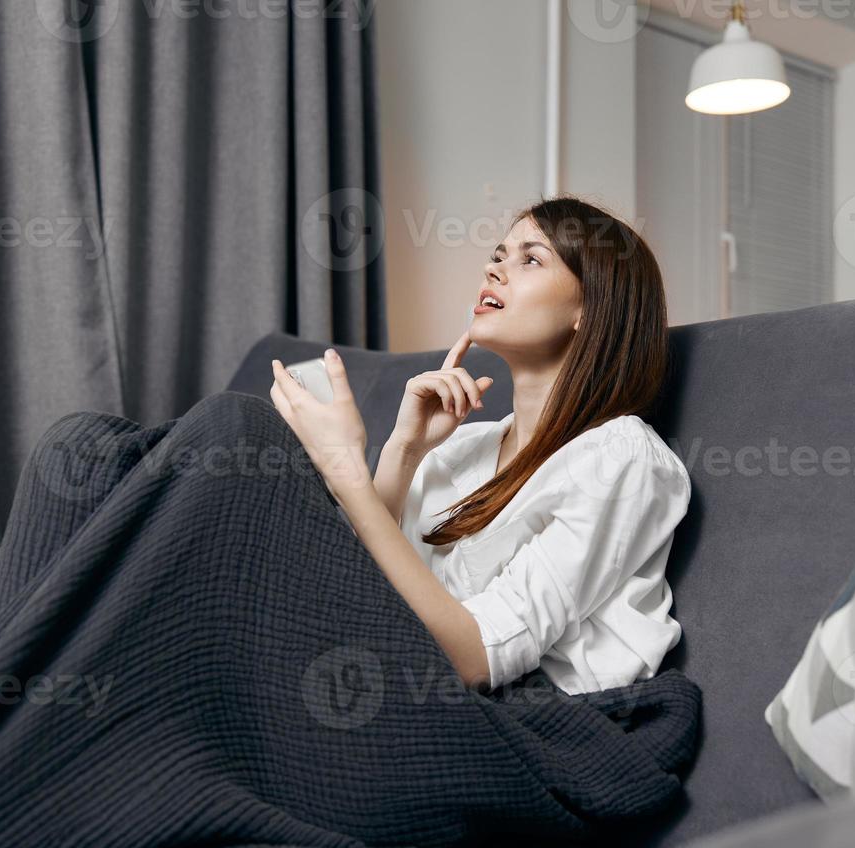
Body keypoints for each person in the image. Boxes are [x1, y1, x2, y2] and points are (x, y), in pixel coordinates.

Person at [269, 195, 690, 696]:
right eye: (498, 255)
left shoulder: (620, 459)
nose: (495, 270)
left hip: (520, 717)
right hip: (387, 673)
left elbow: (474, 658)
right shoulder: (461, 446)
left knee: (234, 426)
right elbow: (352, 592)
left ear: (590, 309)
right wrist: (402, 452)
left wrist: (344, 469)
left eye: (530, 259)